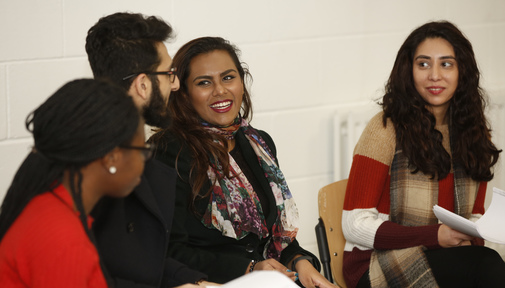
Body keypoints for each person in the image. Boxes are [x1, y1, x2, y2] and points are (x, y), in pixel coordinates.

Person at [149, 36, 337, 288]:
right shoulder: (170, 151)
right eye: (204, 82)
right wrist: (249, 269)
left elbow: (275, 237)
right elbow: (168, 252)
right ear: (183, 93)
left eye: (228, 77)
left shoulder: (259, 145)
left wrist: (300, 262)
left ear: (242, 81)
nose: (220, 90)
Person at [342, 20, 505, 288]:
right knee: (486, 265)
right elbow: (354, 224)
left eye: (446, 64)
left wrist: (473, 234)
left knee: (482, 264)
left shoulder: (473, 132)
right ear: (408, 71)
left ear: (462, 71)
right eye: (423, 64)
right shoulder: (384, 128)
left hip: (444, 257)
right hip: (377, 265)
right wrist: (437, 236)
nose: (434, 75)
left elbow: (475, 215)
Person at [85, 12, 215, 287]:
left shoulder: (127, 152)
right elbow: (86, 274)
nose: (176, 84)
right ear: (143, 85)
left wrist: (195, 282)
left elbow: (143, 258)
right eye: (169, 74)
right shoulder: (94, 167)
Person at [0, 79, 143, 287]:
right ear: (111, 158)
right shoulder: (63, 240)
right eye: (142, 152)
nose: (143, 163)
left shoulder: (47, 205)